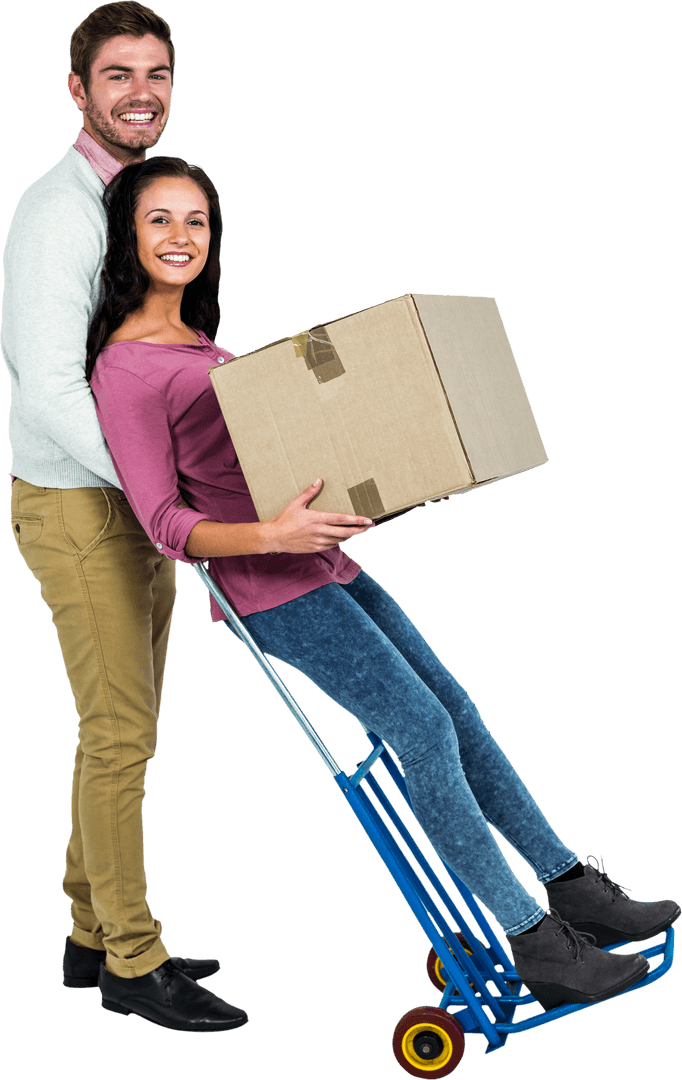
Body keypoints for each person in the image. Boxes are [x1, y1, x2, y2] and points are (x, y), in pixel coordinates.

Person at [86, 154, 679, 1024]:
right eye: (160, 220)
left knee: (455, 712)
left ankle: (572, 887)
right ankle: (536, 943)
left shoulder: (202, 343)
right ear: (127, 238)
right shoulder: (126, 372)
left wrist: (389, 479)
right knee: (421, 729)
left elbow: (270, 457)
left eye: (197, 221)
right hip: (271, 589)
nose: (181, 237)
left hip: (326, 564)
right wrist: (275, 537)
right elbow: (163, 523)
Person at [3, 3, 247, 1032]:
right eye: (118, 74)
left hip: (129, 507)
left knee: (115, 729)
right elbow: (48, 384)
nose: (141, 90)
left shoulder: (142, 199)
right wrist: (164, 497)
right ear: (78, 89)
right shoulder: (57, 214)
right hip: (78, 505)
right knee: (121, 739)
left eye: (157, 72)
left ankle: (89, 931)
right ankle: (134, 966)